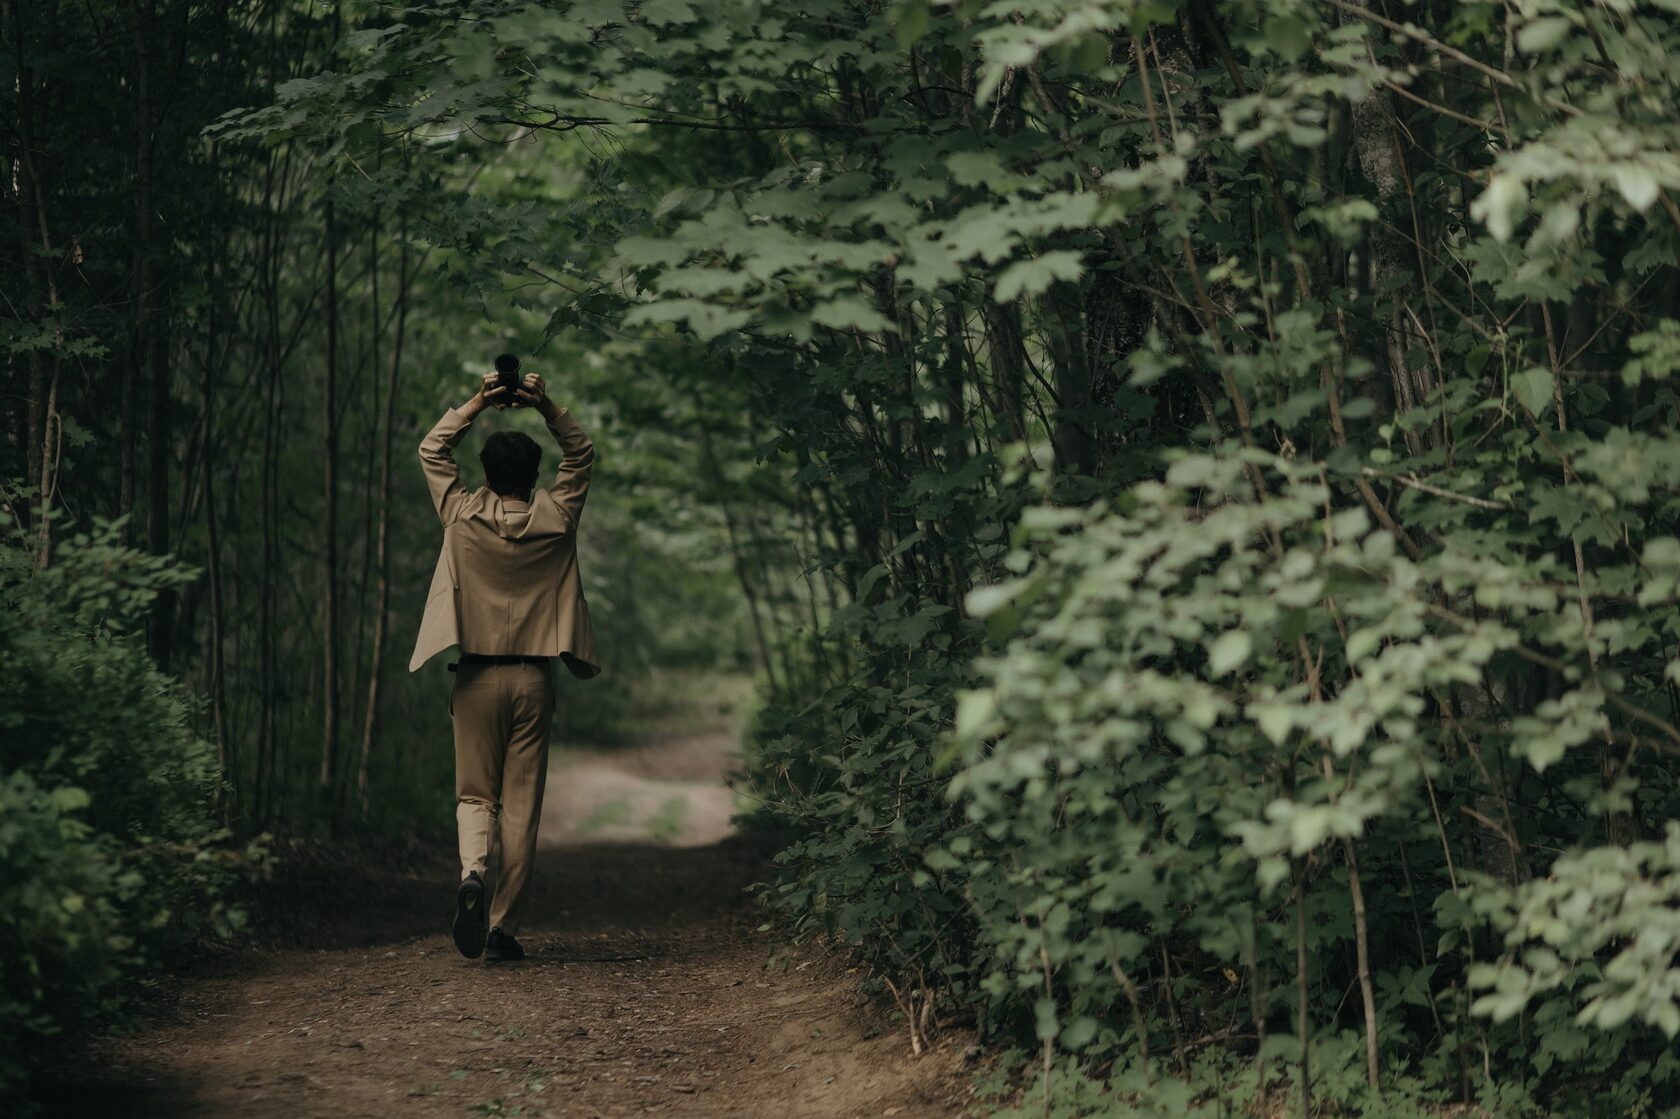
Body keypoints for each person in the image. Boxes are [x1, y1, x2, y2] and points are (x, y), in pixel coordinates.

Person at [409, 368, 600, 962]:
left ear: (487, 476)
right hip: (534, 679)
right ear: (535, 477)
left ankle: (472, 872)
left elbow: (431, 448)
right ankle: (501, 930)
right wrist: (544, 403)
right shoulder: (559, 519)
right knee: (520, 806)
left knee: (475, 795)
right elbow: (583, 452)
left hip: (475, 675)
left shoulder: (462, 516)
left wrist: (476, 402)